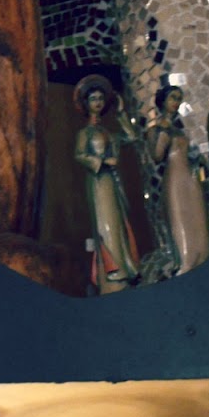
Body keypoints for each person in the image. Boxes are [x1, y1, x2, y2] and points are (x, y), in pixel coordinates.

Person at [72, 75, 138, 288]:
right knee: (106, 223)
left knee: (118, 223)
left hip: (113, 182)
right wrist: (101, 161)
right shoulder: (85, 132)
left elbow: (131, 137)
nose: (98, 102)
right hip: (98, 181)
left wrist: (121, 114)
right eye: (93, 99)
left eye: (101, 98)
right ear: (86, 103)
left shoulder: (107, 132)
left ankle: (126, 267)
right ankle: (112, 271)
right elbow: (79, 155)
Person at [146, 82, 209, 275]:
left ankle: (203, 254)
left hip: (189, 176)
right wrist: (163, 132)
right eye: (172, 98)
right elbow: (157, 155)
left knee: (196, 214)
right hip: (175, 177)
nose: (176, 103)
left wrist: (197, 161)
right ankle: (186, 259)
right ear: (163, 101)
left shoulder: (178, 129)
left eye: (179, 99)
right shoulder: (156, 128)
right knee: (180, 216)